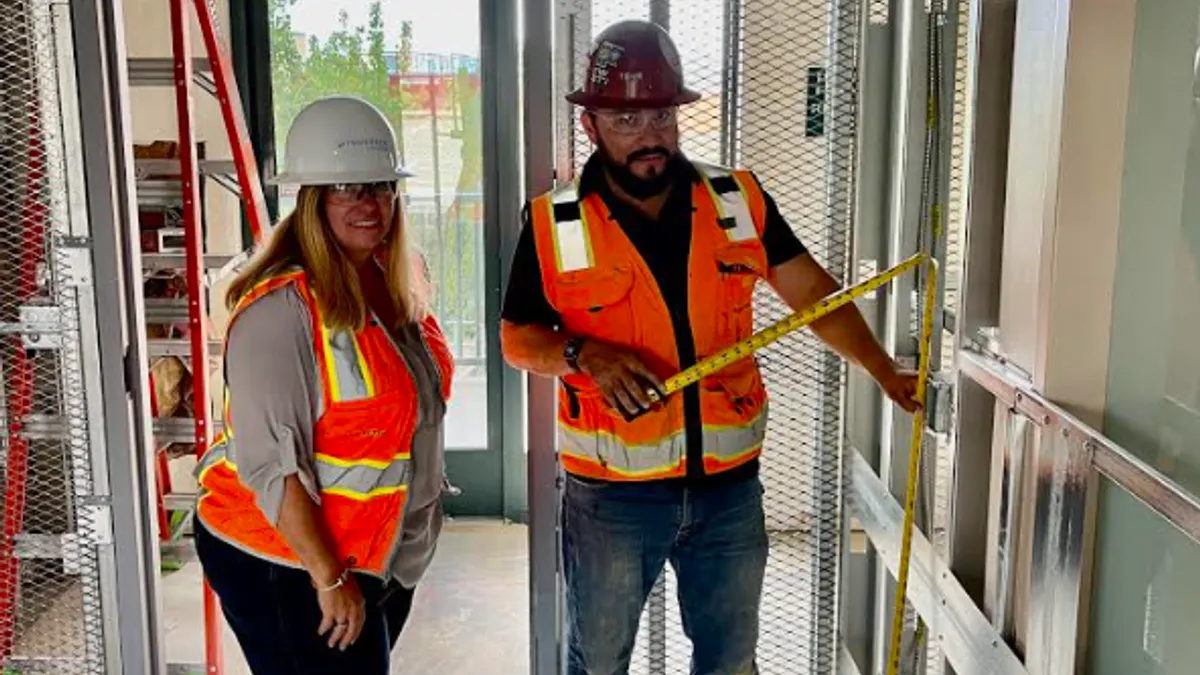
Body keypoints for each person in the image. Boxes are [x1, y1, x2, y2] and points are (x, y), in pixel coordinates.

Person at [500, 20, 920, 675]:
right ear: (591, 127)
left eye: (662, 116)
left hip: (728, 492)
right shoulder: (555, 223)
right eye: (626, 120)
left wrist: (883, 368)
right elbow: (518, 339)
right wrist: (587, 353)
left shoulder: (738, 201)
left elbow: (814, 294)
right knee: (599, 660)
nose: (649, 137)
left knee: (730, 661)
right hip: (613, 497)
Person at [193, 95, 455, 674]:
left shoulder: (391, 285)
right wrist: (330, 577)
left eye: (381, 185)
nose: (371, 202)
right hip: (285, 559)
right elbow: (272, 467)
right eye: (347, 189)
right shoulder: (279, 313)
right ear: (311, 200)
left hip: (373, 554)